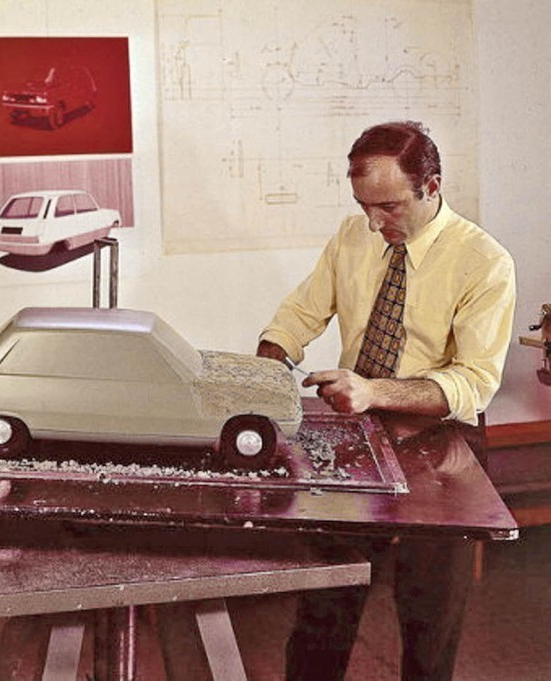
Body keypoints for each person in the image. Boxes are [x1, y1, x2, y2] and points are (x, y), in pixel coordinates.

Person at [256, 121, 516, 680]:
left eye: (389, 207)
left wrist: (373, 390)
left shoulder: (484, 261)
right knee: (327, 600)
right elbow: (300, 314)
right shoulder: (354, 235)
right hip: (360, 432)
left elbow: (473, 384)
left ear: (432, 186)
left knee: (429, 616)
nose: (374, 223)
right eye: (363, 206)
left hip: (443, 442)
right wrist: (267, 363)